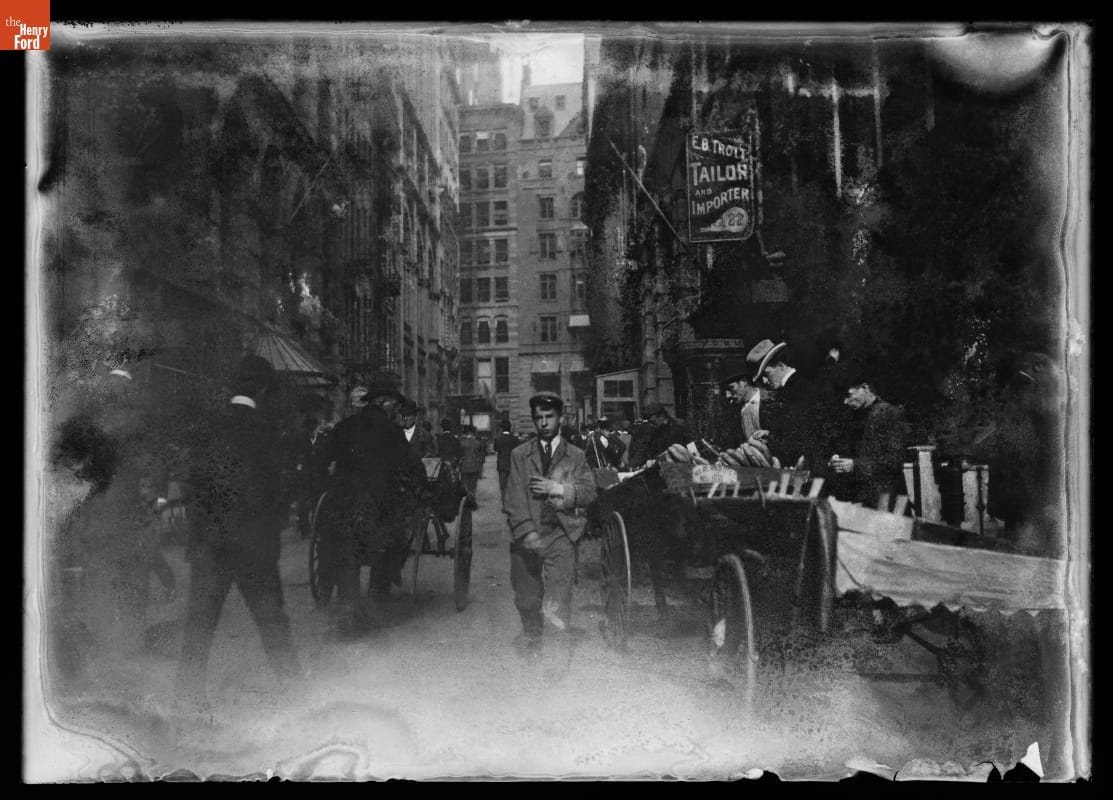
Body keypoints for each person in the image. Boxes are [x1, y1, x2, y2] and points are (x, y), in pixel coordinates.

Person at [176, 355, 304, 706]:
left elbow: (191, 486)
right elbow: (281, 490)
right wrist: (272, 523)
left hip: (210, 544)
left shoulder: (206, 430)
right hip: (254, 545)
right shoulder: (269, 432)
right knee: (272, 623)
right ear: (263, 390)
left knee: (199, 626)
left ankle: (185, 702)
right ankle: (298, 700)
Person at [322, 379, 422, 634]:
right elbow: (412, 466)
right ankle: (377, 605)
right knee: (389, 547)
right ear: (383, 402)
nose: (396, 411)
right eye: (394, 406)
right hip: (377, 508)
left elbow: (323, 462)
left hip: (343, 506)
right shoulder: (392, 433)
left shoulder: (343, 428)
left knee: (347, 555)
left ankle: (348, 609)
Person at [503, 393, 596, 659]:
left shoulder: (575, 455)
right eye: (539, 418)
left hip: (561, 534)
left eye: (549, 417)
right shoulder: (520, 454)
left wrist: (559, 488)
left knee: (559, 596)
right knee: (526, 598)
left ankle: (556, 655)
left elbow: (589, 492)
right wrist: (527, 531)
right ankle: (533, 639)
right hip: (526, 535)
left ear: (561, 419)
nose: (544, 423)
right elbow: (513, 496)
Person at [825, 367, 908, 508]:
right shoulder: (855, 417)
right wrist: (837, 460)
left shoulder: (889, 413)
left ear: (865, 388)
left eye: (849, 395)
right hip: (863, 501)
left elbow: (893, 462)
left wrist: (854, 465)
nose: (845, 402)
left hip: (885, 503)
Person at [746, 339, 824, 473]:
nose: (764, 381)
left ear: (781, 366)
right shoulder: (793, 388)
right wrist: (769, 434)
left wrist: (771, 437)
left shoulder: (800, 390)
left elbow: (798, 437)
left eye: (766, 374)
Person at [626, 403, 691, 469]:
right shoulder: (651, 432)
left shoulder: (679, 429)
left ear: (662, 417)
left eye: (653, 422)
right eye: (649, 422)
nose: (651, 425)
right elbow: (643, 452)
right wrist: (630, 465)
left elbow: (691, 450)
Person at [458, 425, 486, 505]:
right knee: (473, 486)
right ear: (473, 432)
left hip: (464, 466)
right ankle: (472, 500)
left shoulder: (461, 442)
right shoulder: (477, 443)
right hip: (474, 466)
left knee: (465, 485)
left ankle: (466, 501)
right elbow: (480, 454)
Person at [493, 420, 520, 499]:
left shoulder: (498, 438)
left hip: (502, 465)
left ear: (502, 428)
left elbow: (496, 448)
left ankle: (504, 502)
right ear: (510, 428)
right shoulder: (515, 439)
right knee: (512, 485)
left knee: (503, 486)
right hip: (513, 464)